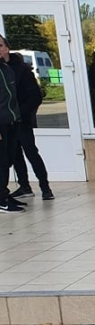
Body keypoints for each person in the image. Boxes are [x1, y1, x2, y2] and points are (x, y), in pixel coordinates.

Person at [0, 36, 52, 202]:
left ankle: (45, 187)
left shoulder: (21, 69)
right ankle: (24, 186)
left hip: (21, 119)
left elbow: (35, 96)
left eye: (0, 45)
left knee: (31, 152)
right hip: (6, 122)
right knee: (13, 156)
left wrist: (20, 112)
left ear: (7, 48)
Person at [0, 47, 25, 213]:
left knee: (8, 160)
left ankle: (4, 193)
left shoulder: (6, 69)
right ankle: (1, 200)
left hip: (12, 121)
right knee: (1, 163)